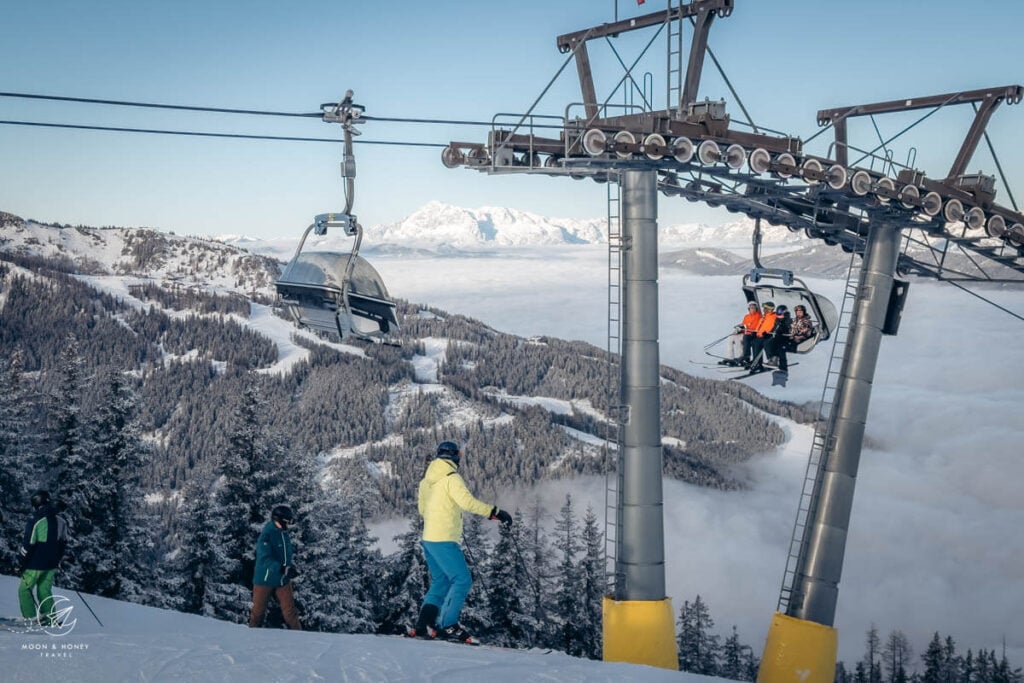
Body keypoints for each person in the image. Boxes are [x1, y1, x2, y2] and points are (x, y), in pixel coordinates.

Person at [410, 440, 512, 644]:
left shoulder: (427, 481)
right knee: (462, 579)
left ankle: (423, 625)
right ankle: (448, 626)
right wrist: (496, 512)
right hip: (444, 538)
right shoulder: (451, 477)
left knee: (442, 580)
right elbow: (467, 503)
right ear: (455, 456)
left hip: (429, 538)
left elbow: (423, 510)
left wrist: (448, 512)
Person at [248, 504, 302, 630]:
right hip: (264, 579)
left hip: (282, 579)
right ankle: (251, 639)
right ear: (280, 520)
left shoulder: (284, 534)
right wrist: (283, 568)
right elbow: (265, 559)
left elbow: (285, 555)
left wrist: (290, 568)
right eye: (287, 521)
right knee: (258, 613)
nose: (289, 525)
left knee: (290, 612)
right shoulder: (266, 535)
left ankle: (300, 639)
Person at [18, 490, 68, 625]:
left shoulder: (36, 519)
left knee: (25, 590)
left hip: (35, 564)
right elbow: (63, 543)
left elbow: (28, 544)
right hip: (51, 565)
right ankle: (50, 619)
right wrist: (57, 560)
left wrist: (21, 562)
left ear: (36, 502)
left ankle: (30, 619)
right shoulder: (61, 521)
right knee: (44, 590)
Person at [721, 301, 762, 366]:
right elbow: (743, 325)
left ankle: (743, 357)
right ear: (749, 309)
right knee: (731, 338)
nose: (752, 309)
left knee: (738, 340)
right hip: (745, 333)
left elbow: (755, 327)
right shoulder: (747, 316)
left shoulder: (758, 316)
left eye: (754, 308)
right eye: (751, 308)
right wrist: (738, 329)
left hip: (750, 334)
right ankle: (730, 357)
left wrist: (745, 328)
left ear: (756, 308)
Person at [747, 301, 778, 372]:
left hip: (767, 336)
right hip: (760, 335)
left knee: (764, 343)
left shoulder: (773, 317)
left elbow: (773, 326)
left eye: (765, 308)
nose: (763, 309)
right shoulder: (764, 317)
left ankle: (772, 361)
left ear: (769, 309)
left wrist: (769, 333)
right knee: (755, 342)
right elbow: (759, 326)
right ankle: (757, 363)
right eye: (764, 308)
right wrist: (755, 332)